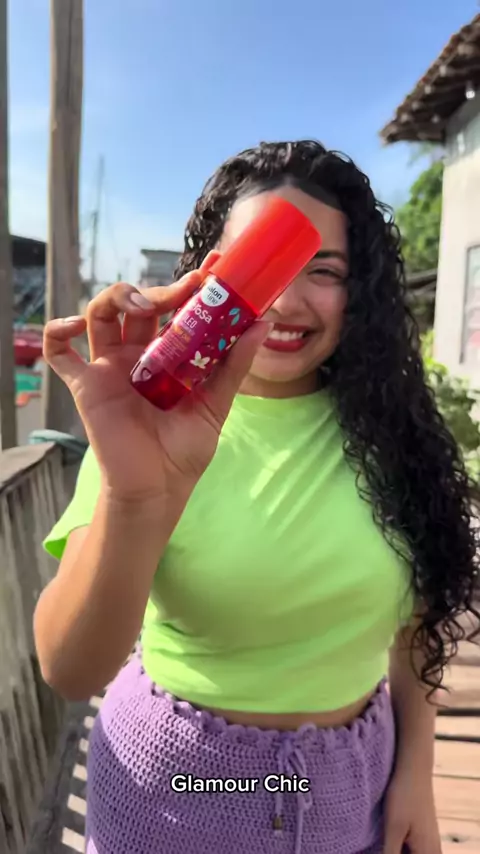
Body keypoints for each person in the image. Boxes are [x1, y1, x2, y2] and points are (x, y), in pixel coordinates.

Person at [35, 140, 479, 854]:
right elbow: (69, 668)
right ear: (204, 277)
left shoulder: (395, 430)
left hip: (351, 794)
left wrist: (415, 772)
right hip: (172, 796)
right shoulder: (147, 422)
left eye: (324, 271)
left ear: (360, 290)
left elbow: (417, 620)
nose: (285, 301)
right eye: (257, 265)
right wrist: (135, 496)